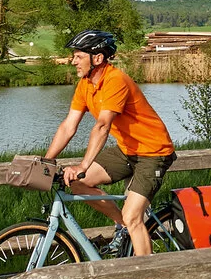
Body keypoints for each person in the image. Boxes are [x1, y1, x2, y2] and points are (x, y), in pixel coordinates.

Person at [42, 29, 175, 255]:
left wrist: (83, 166)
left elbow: (102, 126)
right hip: (127, 150)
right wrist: (46, 160)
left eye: (78, 56)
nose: (73, 61)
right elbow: (68, 126)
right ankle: (122, 224)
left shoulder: (115, 81)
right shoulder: (85, 85)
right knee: (76, 184)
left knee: (134, 216)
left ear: (98, 58)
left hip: (153, 153)